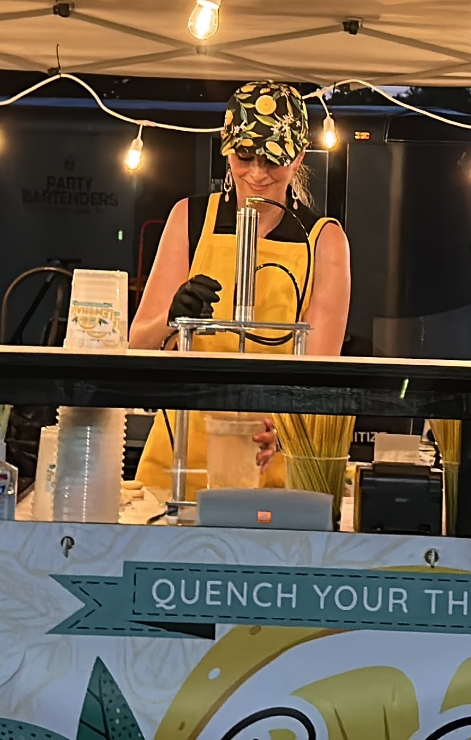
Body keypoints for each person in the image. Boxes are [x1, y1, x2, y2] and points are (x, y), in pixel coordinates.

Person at [128, 81, 352, 492]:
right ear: (226, 149)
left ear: (299, 155)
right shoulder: (191, 218)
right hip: (178, 462)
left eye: (273, 161)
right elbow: (138, 343)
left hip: (267, 465)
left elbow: (320, 381)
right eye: (244, 157)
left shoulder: (323, 240)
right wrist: (173, 318)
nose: (257, 174)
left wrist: (283, 433)